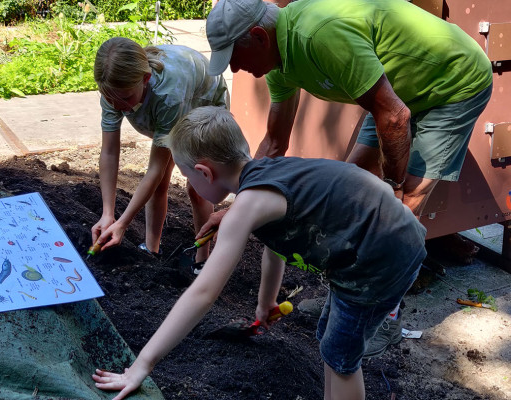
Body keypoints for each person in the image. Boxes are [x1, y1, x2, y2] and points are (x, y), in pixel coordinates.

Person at [202, 0, 493, 355]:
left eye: (234, 55)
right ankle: (344, 303)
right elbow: (275, 144)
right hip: (396, 93)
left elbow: (395, 118)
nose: (234, 66)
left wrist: (393, 186)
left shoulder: (320, 35)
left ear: (260, 37)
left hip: (453, 81)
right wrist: (235, 207)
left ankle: (385, 321)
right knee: (352, 188)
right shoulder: (278, 64)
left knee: (402, 211)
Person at [91, 106, 427, 400]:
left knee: (341, 356)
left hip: (381, 259)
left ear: (205, 173)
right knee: (330, 339)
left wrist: (142, 366)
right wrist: (266, 301)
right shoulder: (266, 174)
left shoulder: (248, 204)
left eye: (189, 178)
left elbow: (204, 292)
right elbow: (276, 245)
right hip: (378, 242)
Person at [91, 37, 229, 272]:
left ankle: (202, 258)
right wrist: (108, 214)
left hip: (203, 104)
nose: (119, 106)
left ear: (145, 79)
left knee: (196, 187)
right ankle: (151, 249)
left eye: (125, 99)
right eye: (111, 99)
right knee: (159, 184)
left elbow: (154, 168)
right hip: (165, 108)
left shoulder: (168, 95)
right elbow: (110, 152)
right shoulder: (114, 91)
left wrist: (123, 223)